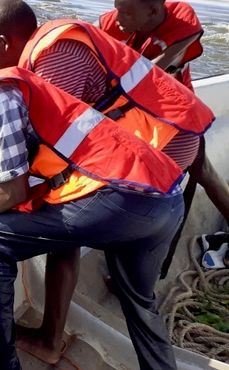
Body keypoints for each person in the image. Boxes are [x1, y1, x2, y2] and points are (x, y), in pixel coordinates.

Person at [0, 0, 214, 363]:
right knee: (139, 301)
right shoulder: (56, 42)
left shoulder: (52, 61)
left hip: (153, 158)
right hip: (162, 184)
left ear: (3, 41)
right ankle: (55, 341)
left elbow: (24, 143)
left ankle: (7, 360)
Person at [97, 0, 229, 280]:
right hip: (140, 119)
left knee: (156, 191)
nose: (118, 17)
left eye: (127, 12)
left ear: (155, 11)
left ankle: (137, 272)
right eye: (117, 8)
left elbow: (151, 75)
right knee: (202, 172)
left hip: (177, 120)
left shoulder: (180, 16)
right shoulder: (114, 21)